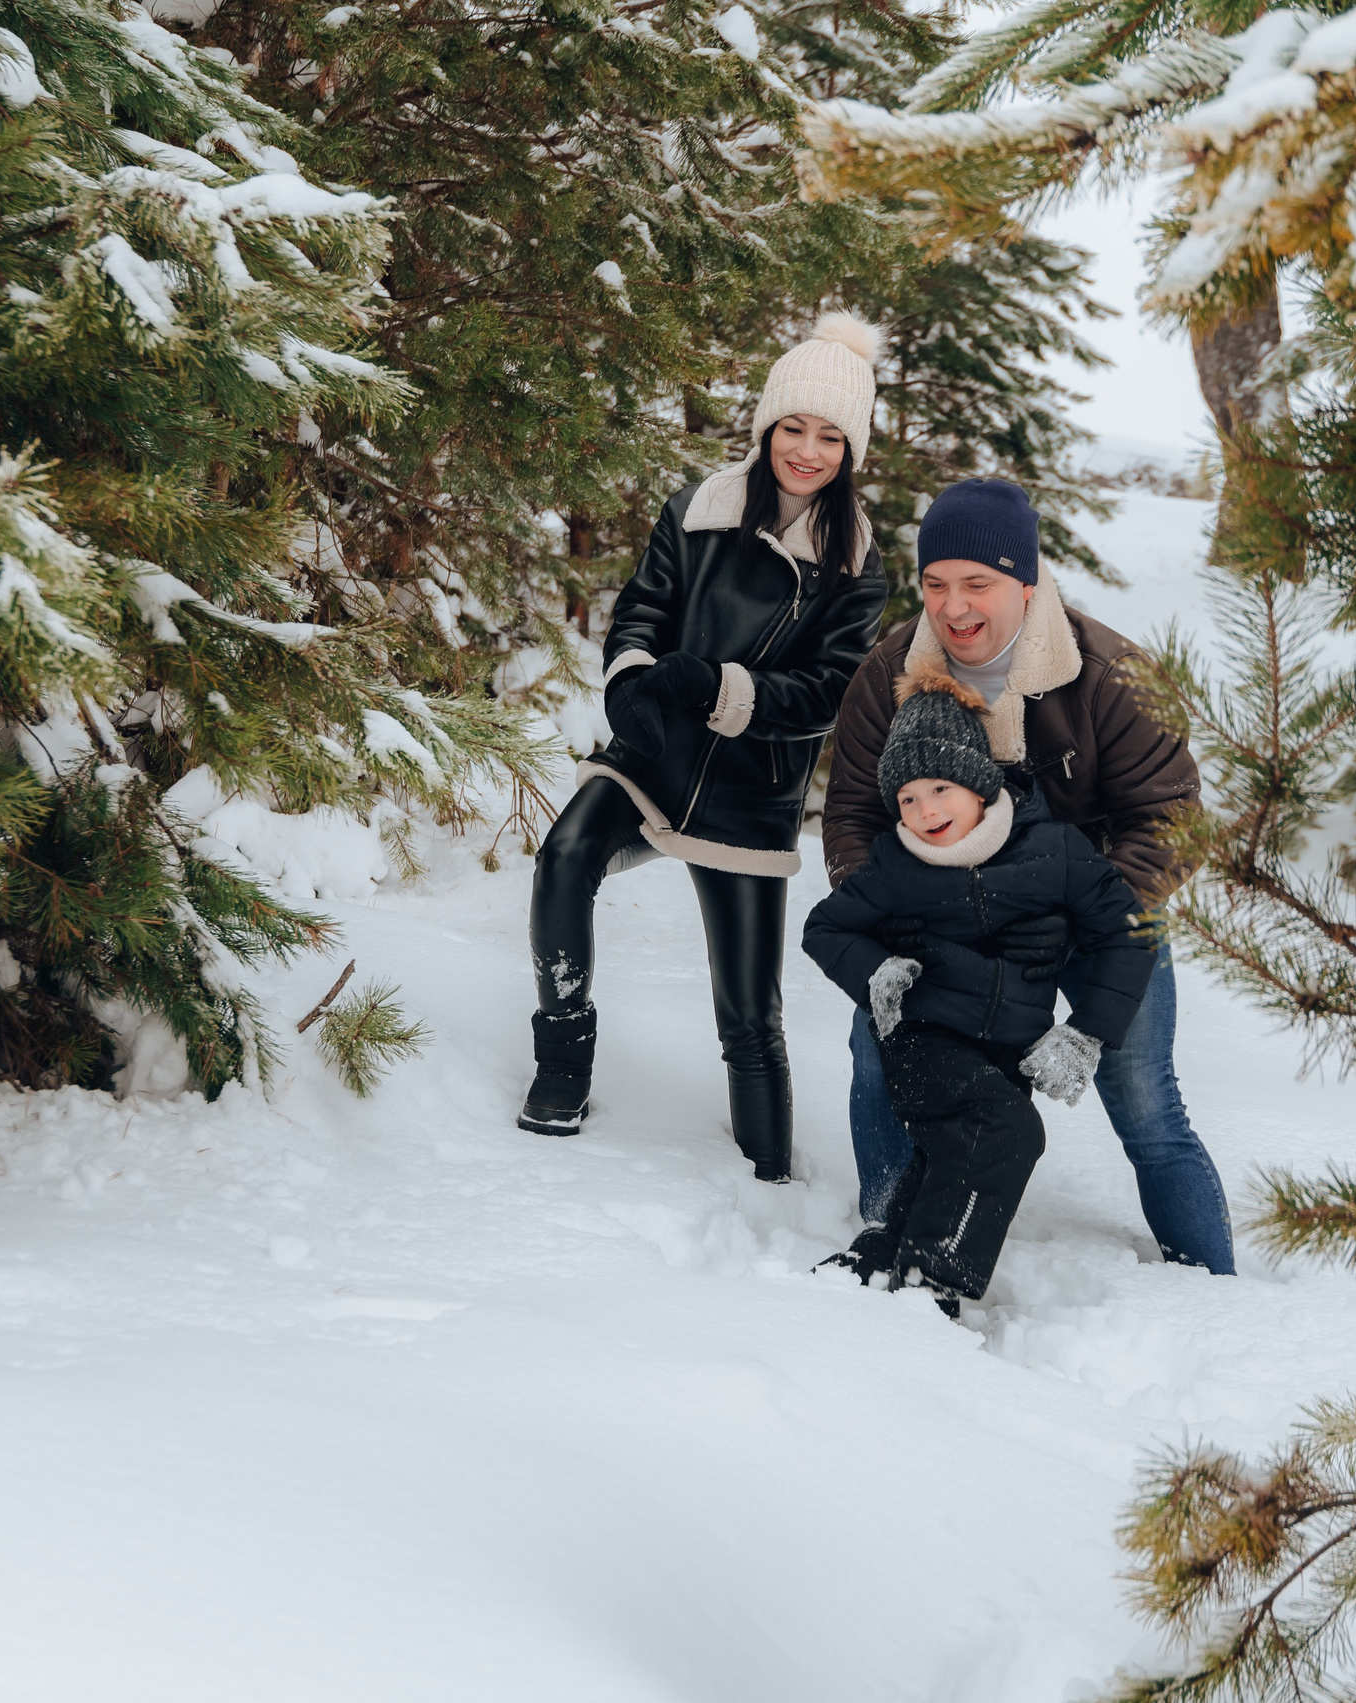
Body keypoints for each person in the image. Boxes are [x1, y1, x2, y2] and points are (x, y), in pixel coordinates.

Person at [821, 478, 1236, 1273]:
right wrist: (892, 922)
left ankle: (1213, 1285)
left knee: (1146, 1097)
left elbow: (1171, 816)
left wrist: (1085, 917)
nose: (954, 606)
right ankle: (885, 1232)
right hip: (943, 916)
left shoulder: (1108, 673)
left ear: (1027, 580)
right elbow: (851, 813)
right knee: (878, 1052)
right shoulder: (890, 673)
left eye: (978, 584)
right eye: (936, 584)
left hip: (1098, 913)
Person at [519, 314, 891, 1180]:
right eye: (793, 427)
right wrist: (634, 681)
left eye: (830, 436)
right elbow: (641, 609)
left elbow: (830, 692)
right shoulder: (697, 509)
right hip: (655, 756)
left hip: (751, 791)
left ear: (851, 450)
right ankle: (563, 1064)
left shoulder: (857, 561)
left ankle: (767, 1175)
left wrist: (724, 688)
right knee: (565, 855)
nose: (806, 450)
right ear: (766, 427)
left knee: (750, 1011)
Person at [802, 665, 1155, 1313]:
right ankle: (934, 1278)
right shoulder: (897, 864)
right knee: (1009, 1131)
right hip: (923, 1038)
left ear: (978, 781)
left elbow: (1129, 931)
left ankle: (879, 1256)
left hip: (1005, 1051)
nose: (925, 809)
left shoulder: (1056, 851)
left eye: (939, 787)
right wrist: (877, 969)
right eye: (906, 798)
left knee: (949, 1156)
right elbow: (828, 928)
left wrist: (1087, 1030)